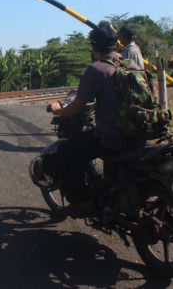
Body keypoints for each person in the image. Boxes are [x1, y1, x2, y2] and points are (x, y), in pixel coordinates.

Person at [46, 23, 141, 216]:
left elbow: (77, 106)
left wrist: (58, 111)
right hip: (138, 133)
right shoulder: (133, 66)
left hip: (111, 138)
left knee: (66, 151)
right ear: (116, 46)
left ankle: (83, 203)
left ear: (94, 47)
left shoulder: (96, 69)